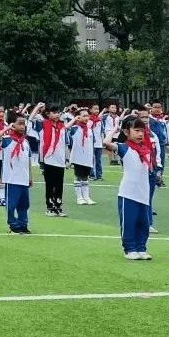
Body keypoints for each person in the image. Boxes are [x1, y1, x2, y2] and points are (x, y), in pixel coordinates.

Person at [104, 116, 154, 260]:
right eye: (136, 130)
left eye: (142, 131)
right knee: (129, 222)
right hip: (128, 193)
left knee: (143, 223)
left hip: (143, 193)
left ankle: (141, 248)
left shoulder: (145, 149)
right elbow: (106, 143)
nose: (140, 134)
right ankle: (129, 248)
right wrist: (114, 130)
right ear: (126, 131)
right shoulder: (124, 147)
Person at [0, 111, 34, 234]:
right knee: (11, 204)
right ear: (13, 125)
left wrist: (30, 176)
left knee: (24, 204)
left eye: (24, 124)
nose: (22, 127)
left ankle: (23, 223)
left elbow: (28, 160)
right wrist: (7, 128)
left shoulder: (25, 142)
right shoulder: (7, 140)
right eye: (19, 124)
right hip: (11, 178)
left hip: (23, 177)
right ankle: (13, 224)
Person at [32, 103, 69, 216]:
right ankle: (49, 207)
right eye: (54, 112)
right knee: (49, 184)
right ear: (48, 114)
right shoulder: (43, 124)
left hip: (60, 159)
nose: (56, 115)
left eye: (58, 112)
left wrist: (67, 159)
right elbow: (31, 118)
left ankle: (58, 206)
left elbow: (65, 143)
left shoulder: (62, 127)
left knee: (59, 185)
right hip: (47, 158)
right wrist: (38, 108)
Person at [67, 108, 97, 206]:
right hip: (78, 156)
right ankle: (79, 197)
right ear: (78, 117)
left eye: (87, 115)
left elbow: (92, 143)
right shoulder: (75, 128)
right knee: (78, 176)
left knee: (85, 177)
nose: (86, 118)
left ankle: (87, 197)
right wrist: (74, 120)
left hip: (87, 157)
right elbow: (66, 128)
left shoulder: (89, 129)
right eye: (83, 116)